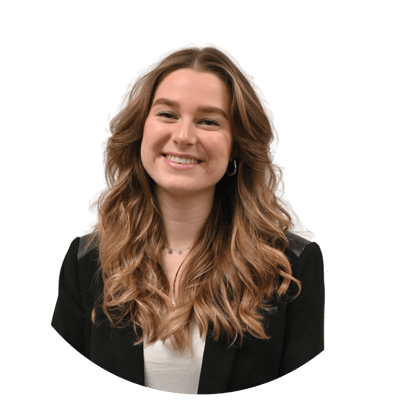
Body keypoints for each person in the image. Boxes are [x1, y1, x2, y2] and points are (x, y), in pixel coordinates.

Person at [52, 46, 324, 395]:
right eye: (167, 114)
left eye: (208, 121)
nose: (183, 136)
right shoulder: (86, 261)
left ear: (236, 145)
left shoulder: (291, 267)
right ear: (141, 129)